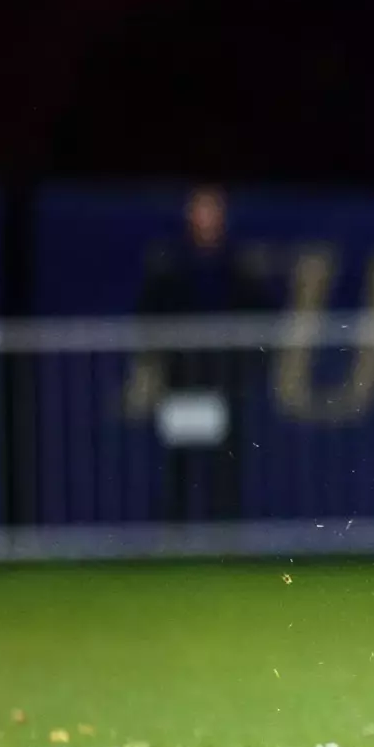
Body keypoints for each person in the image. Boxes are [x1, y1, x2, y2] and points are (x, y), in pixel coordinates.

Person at [137, 185, 269, 521]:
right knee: (180, 457)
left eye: (213, 210)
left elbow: (259, 311)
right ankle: (177, 531)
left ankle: (225, 533)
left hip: (223, 377)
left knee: (224, 462)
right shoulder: (172, 262)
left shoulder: (237, 263)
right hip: (182, 377)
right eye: (201, 210)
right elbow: (150, 310)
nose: (207, 218)